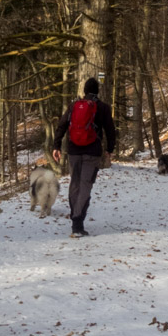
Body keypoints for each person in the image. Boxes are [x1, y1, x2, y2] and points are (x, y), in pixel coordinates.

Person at [53, 77, 116, 236]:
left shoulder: (73, 106)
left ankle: (75, 217)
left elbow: (62, 125)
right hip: (92, 152)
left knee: (75, 184)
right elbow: (110, 129)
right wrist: (109, 149)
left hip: (74, 151)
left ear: (84, 91)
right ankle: (78, 222)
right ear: (97, 91)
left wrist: (56, 146)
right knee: (85, 185)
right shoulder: (103, 107)